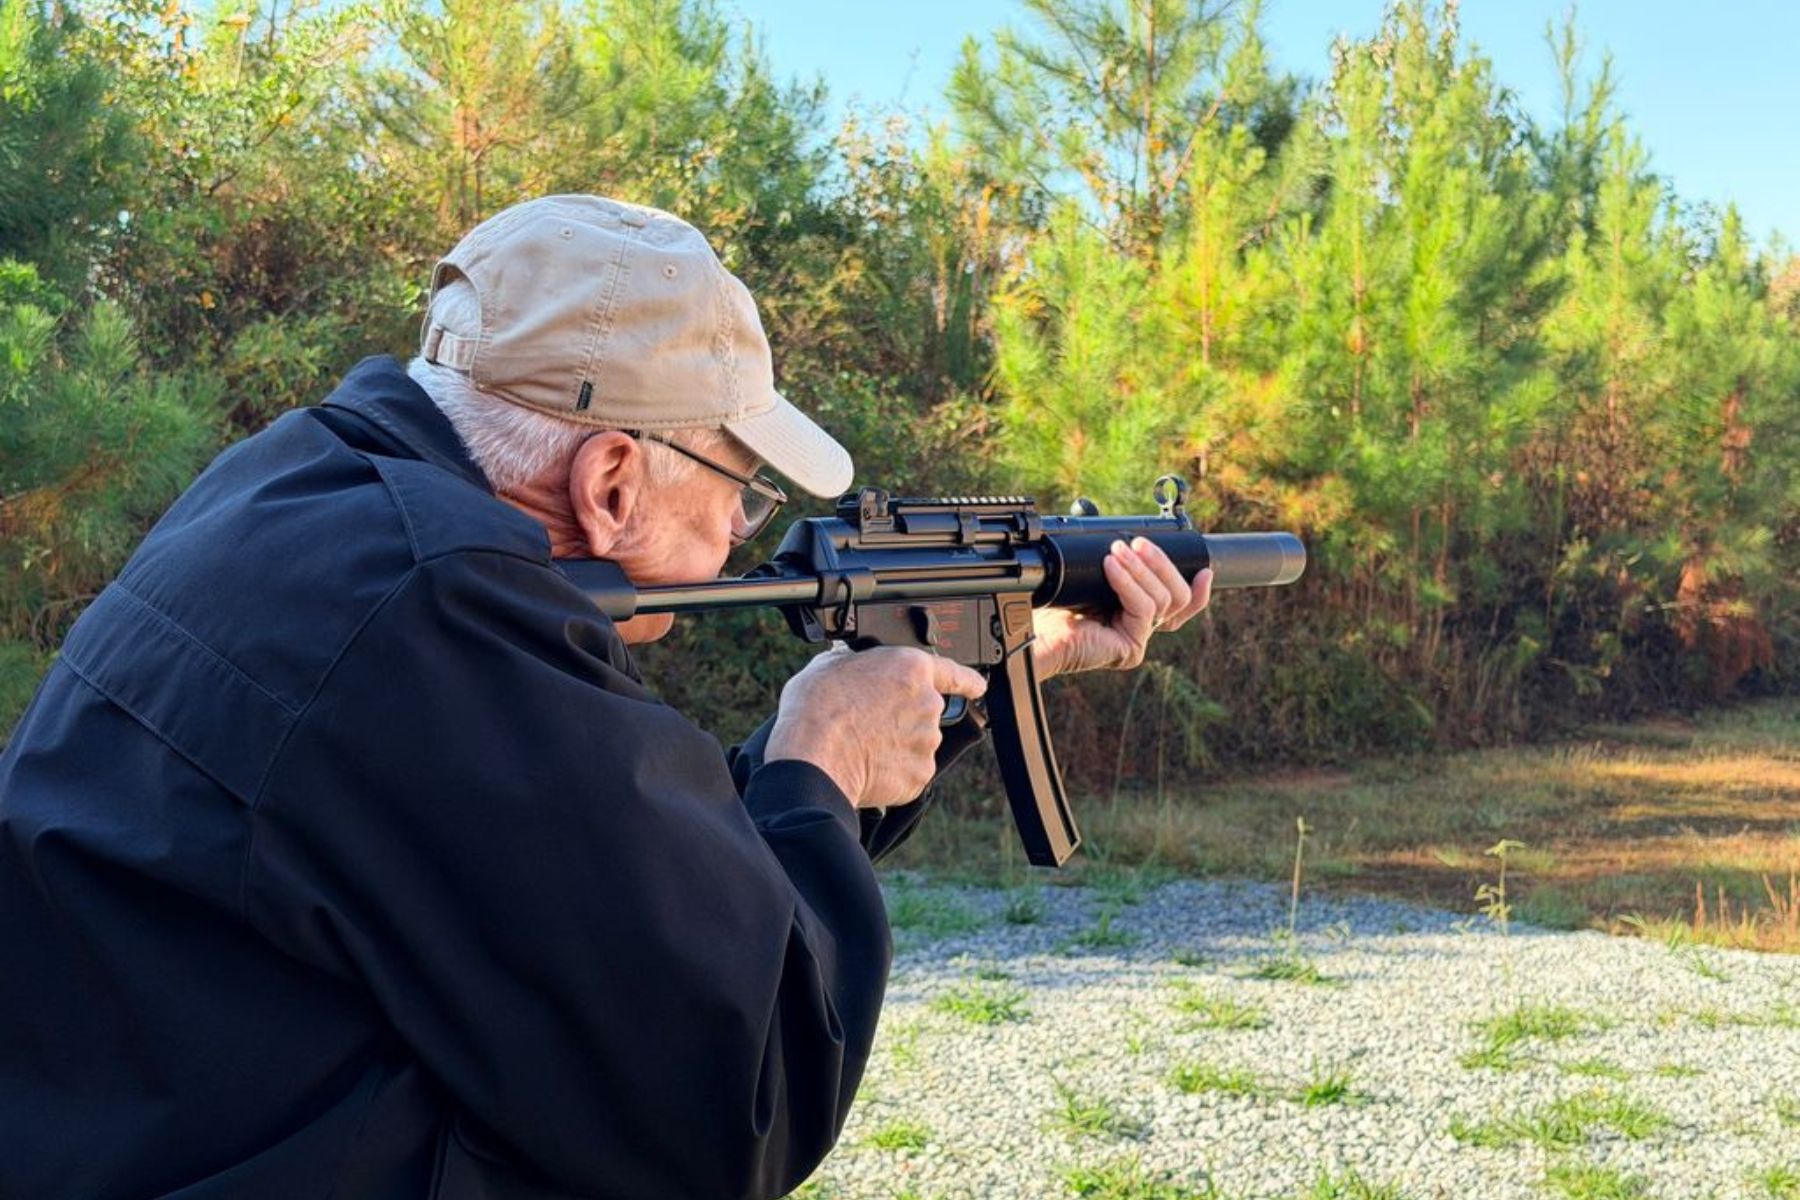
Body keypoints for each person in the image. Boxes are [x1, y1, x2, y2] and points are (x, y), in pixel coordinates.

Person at [0, 194, 1212, 1199]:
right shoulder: (437, 608)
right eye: (740, 482)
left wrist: (1003, 669)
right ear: (614, 481)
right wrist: (814, 768)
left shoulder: (312, 495)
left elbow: (601, 896)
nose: (746, 524)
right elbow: (734, 1102)